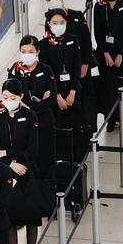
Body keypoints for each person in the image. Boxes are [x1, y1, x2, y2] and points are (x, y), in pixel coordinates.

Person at [0, 79, 40, 244]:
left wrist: (7, 153)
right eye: (5, 97)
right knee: (9, 218)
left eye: (13, 98)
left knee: (31, 217)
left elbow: (33, 150)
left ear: (21, 97)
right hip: (5, 172)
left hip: (27, 171)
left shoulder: (30, 115)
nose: (8, 101)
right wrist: (9, 163)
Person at [43, 0, 97, 135]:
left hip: (81, 69)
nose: (52, 1)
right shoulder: (49, 23)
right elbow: (49, 52)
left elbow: (87, 41)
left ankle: (89, 132)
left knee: (86, 101)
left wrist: (85, 63)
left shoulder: (77, 15)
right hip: (63, 74)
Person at [7, 35, 58, 180]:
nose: (26, 55)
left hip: (45, 123)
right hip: (23, 125)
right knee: (28, 159)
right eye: (23, 51)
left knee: (46, 157)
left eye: (30, 51)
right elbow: (12, 97)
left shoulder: (46, 70)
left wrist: (28, 106)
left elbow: (52, 99)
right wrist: (41, 101)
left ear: (37, 52)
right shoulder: (15, 71)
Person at [38, 9, 84, 162]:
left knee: (76, 128)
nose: (58, 26)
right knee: (57, 132)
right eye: (54, 23)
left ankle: (77, 162)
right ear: (48, 24)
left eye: (62, 23)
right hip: (55, 97)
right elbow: (47, 73)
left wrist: (72, 92)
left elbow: (77, 67)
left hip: (72, 93)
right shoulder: (43, 45)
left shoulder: (73, 39)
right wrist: (57, 96)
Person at [94, 0, 123, 132]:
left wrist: (120, 55)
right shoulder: (99, 6)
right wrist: (106, 54)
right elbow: (98, 32)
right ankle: (109, 118)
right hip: (105, 55)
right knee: (107, 88)